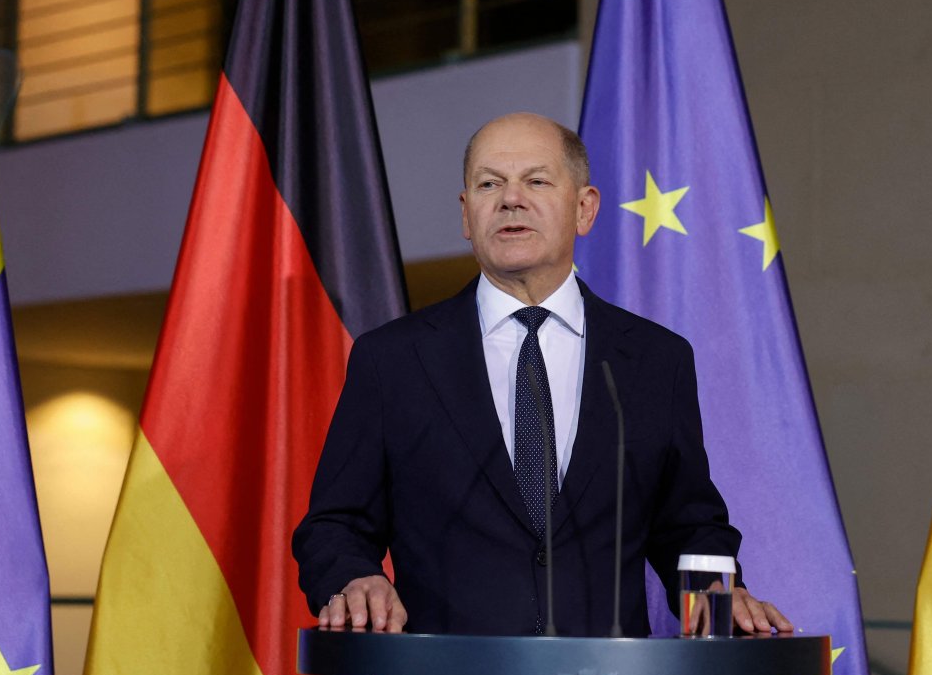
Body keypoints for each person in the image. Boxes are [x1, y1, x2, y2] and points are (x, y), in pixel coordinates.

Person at [292, 112, 790, 636]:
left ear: (584, 208)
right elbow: (335, 524)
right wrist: (354, 577)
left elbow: (688, 525)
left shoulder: (654, 360)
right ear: (467, 215)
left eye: (536, 181)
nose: (511, 199)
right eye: (489, 184)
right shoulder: (393, 360)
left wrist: (717, 603)